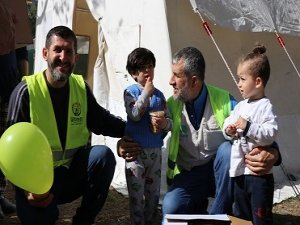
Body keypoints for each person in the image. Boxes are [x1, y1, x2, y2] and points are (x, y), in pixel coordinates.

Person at [6, 25, 140, 225]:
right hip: (35, 183)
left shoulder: (80, 87)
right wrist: (28, 189)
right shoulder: (25, 91)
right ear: (45, 53)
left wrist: (134, 130)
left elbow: (101, 121)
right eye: (57, 50)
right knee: (43, 219)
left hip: (70, 176)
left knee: (103, 156)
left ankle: (83, 221)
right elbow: (11, 149)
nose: (63, 57)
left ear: (76, 57)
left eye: (69, 51)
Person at [160, 46, 281, 222]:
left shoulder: (225, 100)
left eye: (177, 76)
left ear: (194, 81)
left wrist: (274, 153)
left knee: (226, 150)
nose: (171, 81)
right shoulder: (170, 104)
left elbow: (256, 125)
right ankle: (201, 208)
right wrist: (129, 139)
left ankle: (217, 215)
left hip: (222, 176)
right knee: (170, 206)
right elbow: (154, 136)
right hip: (190, 176)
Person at [223, 44, 278, 225]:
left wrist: (248, 127)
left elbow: (269, 134)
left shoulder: (265, 106)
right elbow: (228, 123)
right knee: (241, 215)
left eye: (242, 79)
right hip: (239, 172)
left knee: (261, 217)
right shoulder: (240, 106)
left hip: (258, 177)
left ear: (257, 82)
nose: (238, 83)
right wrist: (229, 130)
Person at [124, 47, 172, 225]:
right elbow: (134, 114)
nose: (147, 71)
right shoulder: (131, 92)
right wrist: (146, 93)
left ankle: (151, 221)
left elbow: (169, 123)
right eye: (142, 68)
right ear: (134, 73)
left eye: (150, 66)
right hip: (135, 153)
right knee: (137, 197)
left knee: (153, 195)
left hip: (155, 153)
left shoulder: (159, 95)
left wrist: (164, 124)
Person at [0, 0, 19, 218]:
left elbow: (20, 47)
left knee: (3, 145)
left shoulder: (10, 7)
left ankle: (0, 195)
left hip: (9, 84)